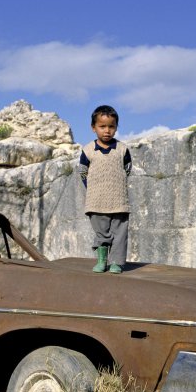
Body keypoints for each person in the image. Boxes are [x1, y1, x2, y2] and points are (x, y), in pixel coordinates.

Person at [77, 105, 132, 274]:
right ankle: (102, 260)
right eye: (102, 126)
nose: (107, 131)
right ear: (93, 128)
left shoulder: (122, 149)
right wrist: (94, 189)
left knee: (120, 234)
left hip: (119, 201)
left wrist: (116, 187)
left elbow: (127, 169)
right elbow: (83, 172)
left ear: (116, 127)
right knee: (102, 233)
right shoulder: (87, 151)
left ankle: (116, 262)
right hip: (96, 201)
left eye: (111, 126)